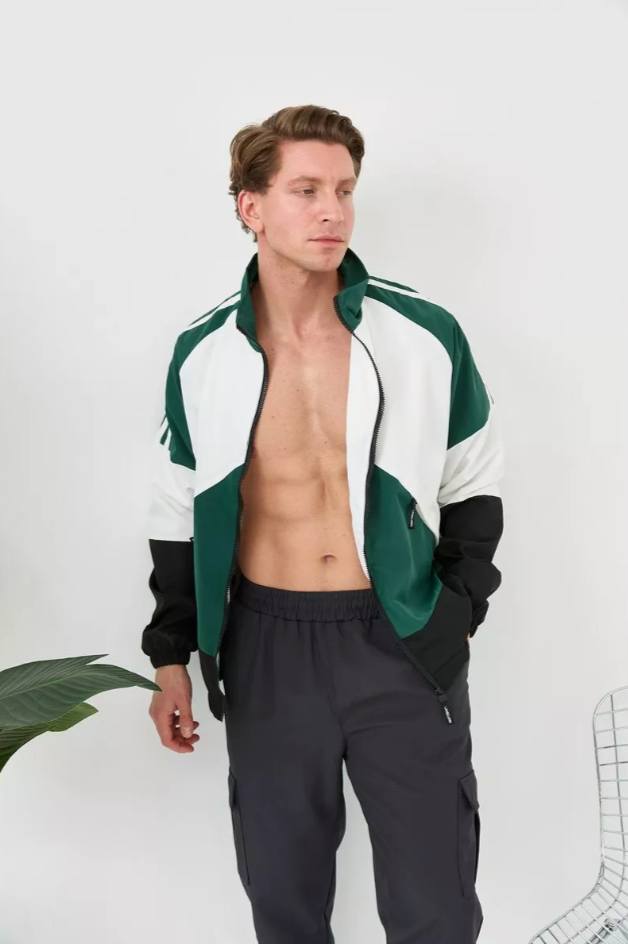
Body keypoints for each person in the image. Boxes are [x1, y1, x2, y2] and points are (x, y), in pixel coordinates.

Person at [141, 104, 505, 944]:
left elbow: (475, 483)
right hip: (267, 646)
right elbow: (177, 511)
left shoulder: (423, 335)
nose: (332, 210)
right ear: (251, 206)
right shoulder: (204, 354)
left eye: (344, 190)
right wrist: (169, 656)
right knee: (284, 898)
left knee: (438, 907)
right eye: (305, 190)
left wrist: (456, 616)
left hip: (400, 637)